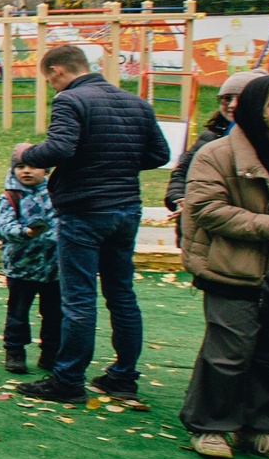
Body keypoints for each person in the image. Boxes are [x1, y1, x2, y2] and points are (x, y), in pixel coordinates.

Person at [11, 43, 173, 407]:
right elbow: (159, 154)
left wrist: (26, 153)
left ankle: (68, 380)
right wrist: (117, 163)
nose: (51, 86)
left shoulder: (71, 100)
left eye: (49, 79)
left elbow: (60, 149)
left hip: (84, 210)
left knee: (79, 299)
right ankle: (123, 377)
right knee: (122, 295)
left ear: (55, 71)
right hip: (126, 209)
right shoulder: (137, 103)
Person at [176, 77, 269, 459]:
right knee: (229, 351)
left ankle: (260, 427)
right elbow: (206, 209)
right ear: (255, 107)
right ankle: (211, 425)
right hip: (228, 266)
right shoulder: (217, 154)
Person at [0, 160, 61, 378]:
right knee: (18, 311)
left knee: (54, 313)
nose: (26, 171)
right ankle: (15, 351)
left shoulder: (57, 195)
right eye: (20, 166)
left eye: (33, 166)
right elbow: (3, 225)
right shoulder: (11, 197)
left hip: (54, 267)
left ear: (46, 169)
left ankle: (50, 353)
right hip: (21, 267)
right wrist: (25, 233)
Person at [166, 72, 258, 217]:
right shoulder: (209, 136)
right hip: (201, 221)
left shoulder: (264, 141)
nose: (232, 105)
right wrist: (180, 198)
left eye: (240, 99)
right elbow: (182, 171)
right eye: (226, 99)